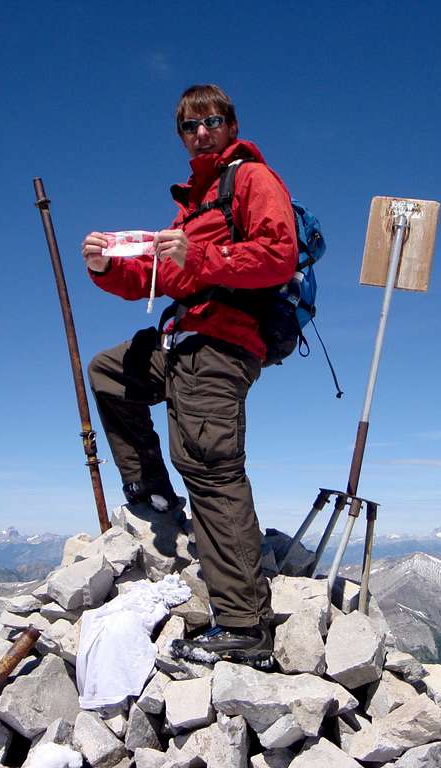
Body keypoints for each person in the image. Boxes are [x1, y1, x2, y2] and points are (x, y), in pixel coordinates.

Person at [81, 84, 297, 666]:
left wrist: (198, 259)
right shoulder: (193, 204)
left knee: (208, 462)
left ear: (231, 124)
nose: (201, 132)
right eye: (189, 126)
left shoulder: (251, 180)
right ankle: (149, 486)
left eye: (212, 120)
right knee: (108, 371)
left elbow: (278, 253)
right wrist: (104, 270)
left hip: (222, 341)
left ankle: (245, 624)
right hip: (181, 339)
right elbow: (154, 280)